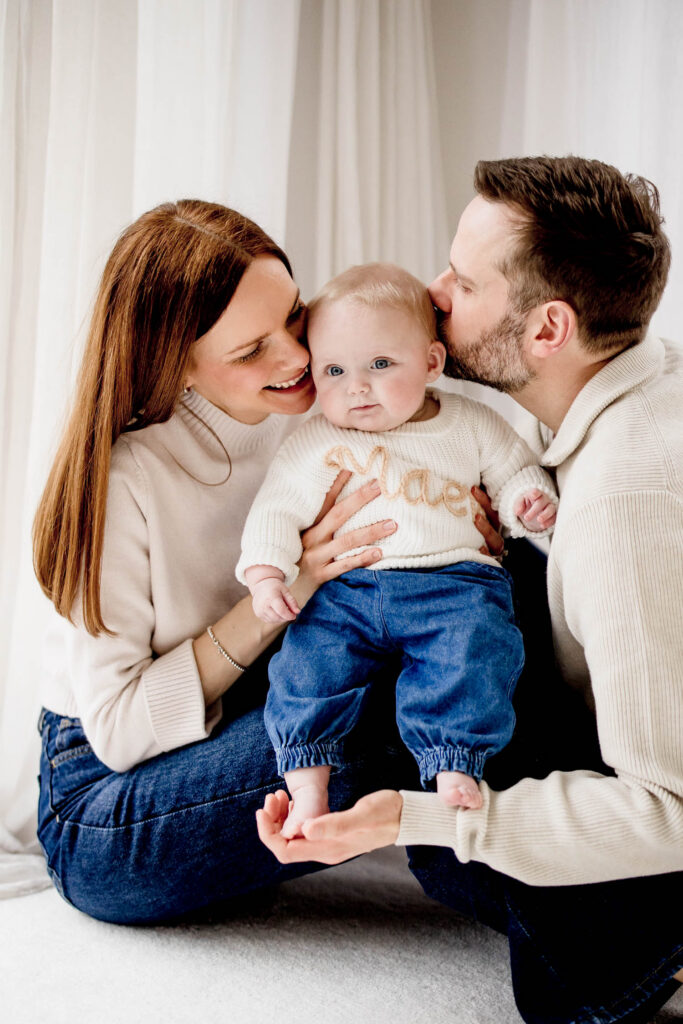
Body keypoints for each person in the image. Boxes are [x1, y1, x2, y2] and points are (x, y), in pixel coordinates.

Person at [256, 156, 683, 1023]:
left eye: (464, 279)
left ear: (548, 328)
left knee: (454, 842)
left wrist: (415, 821)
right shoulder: (620, 384)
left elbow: (669, 808)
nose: (432, 289)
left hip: (658, 803)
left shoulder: (624, 505)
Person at [31, 200, 423, 925]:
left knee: (483, 621)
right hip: (105, 806)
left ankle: (611, 862)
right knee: (394, 707)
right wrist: (288, 586)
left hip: (246, 723)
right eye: (251, 352)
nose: (297, 357)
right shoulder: (128, 481)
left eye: (294, 317)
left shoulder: (312, 411)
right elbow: (116, 733)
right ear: (175, 362)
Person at [238, 262, 557, 835]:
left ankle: (453, 760)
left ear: (432, 363)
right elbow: (277, 509)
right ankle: (307, 781)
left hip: (454, 585)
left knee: (477, 652)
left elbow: (514, 472)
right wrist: (266, 575)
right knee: (307, 668)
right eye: (334, 370)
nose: (356, 386)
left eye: (381, 365)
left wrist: (527, 502)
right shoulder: (317, 441)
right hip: (347, 594)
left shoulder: (470, 424)